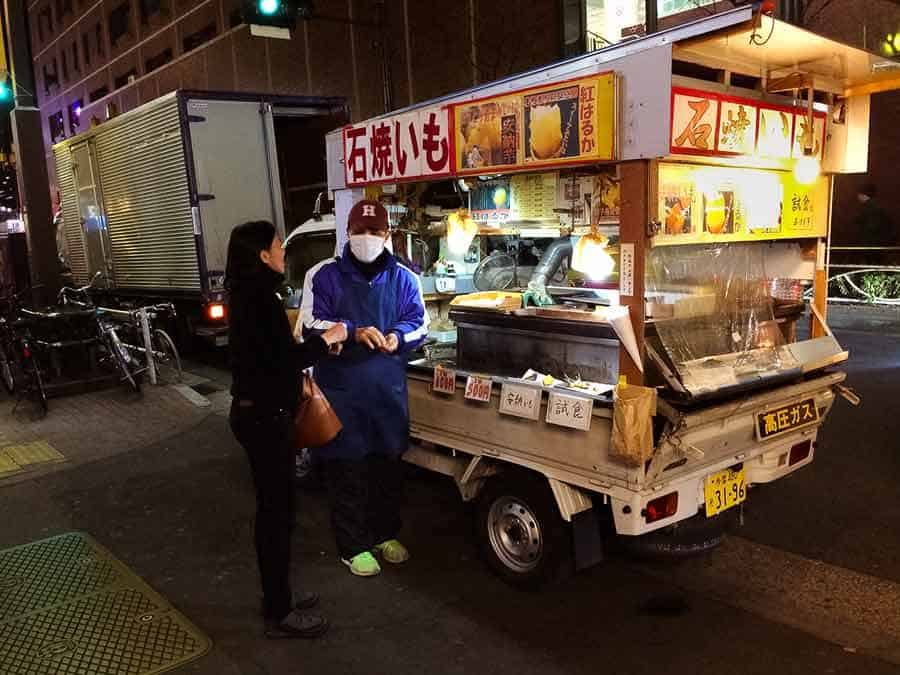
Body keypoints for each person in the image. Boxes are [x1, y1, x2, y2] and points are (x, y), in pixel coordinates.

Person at [226, 220, 347, 639]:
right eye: (279, 245)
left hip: (255, 413)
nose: (282, 251)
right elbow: (282, 361)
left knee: (278, 511)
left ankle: (279, 595)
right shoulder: (258, 299)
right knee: (276, 515)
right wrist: (326, 339)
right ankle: (279, 609)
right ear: (263, 255)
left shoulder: (248, 294)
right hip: (263, 418)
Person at [301, 199, 429, 577]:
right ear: (348, 233)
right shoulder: (322, 275)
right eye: (361, 230)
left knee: (387, 470)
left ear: (388, 235)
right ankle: (353, 545)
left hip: (387, 394)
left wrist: (397, 336)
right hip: (341, 394)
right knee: (347, 473)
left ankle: (385, 533)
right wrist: (352, 331)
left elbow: (418, 323)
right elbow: (310, 324)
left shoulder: (406, 278)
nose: (368, 238)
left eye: (375, 231)